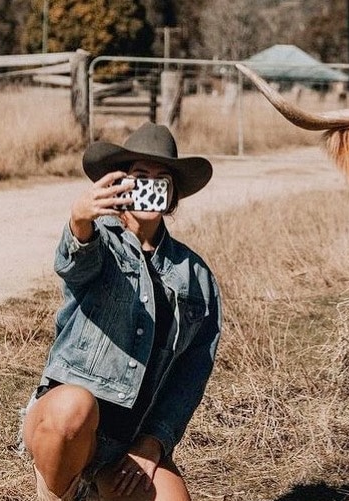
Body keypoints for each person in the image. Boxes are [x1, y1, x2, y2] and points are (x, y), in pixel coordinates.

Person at [20, 122, 222, 501]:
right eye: (139, 176)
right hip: (69, 425)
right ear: (121, 185)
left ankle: (97, 485)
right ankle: (61, 488)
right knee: (72, 407)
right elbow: (74, 263)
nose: (150, 185)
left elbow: (192, 374)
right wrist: (79, 220)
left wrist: (154, 443)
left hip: (128, 442)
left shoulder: (196, 275)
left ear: (172, 195)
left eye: (161, 179)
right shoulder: (101, 242)